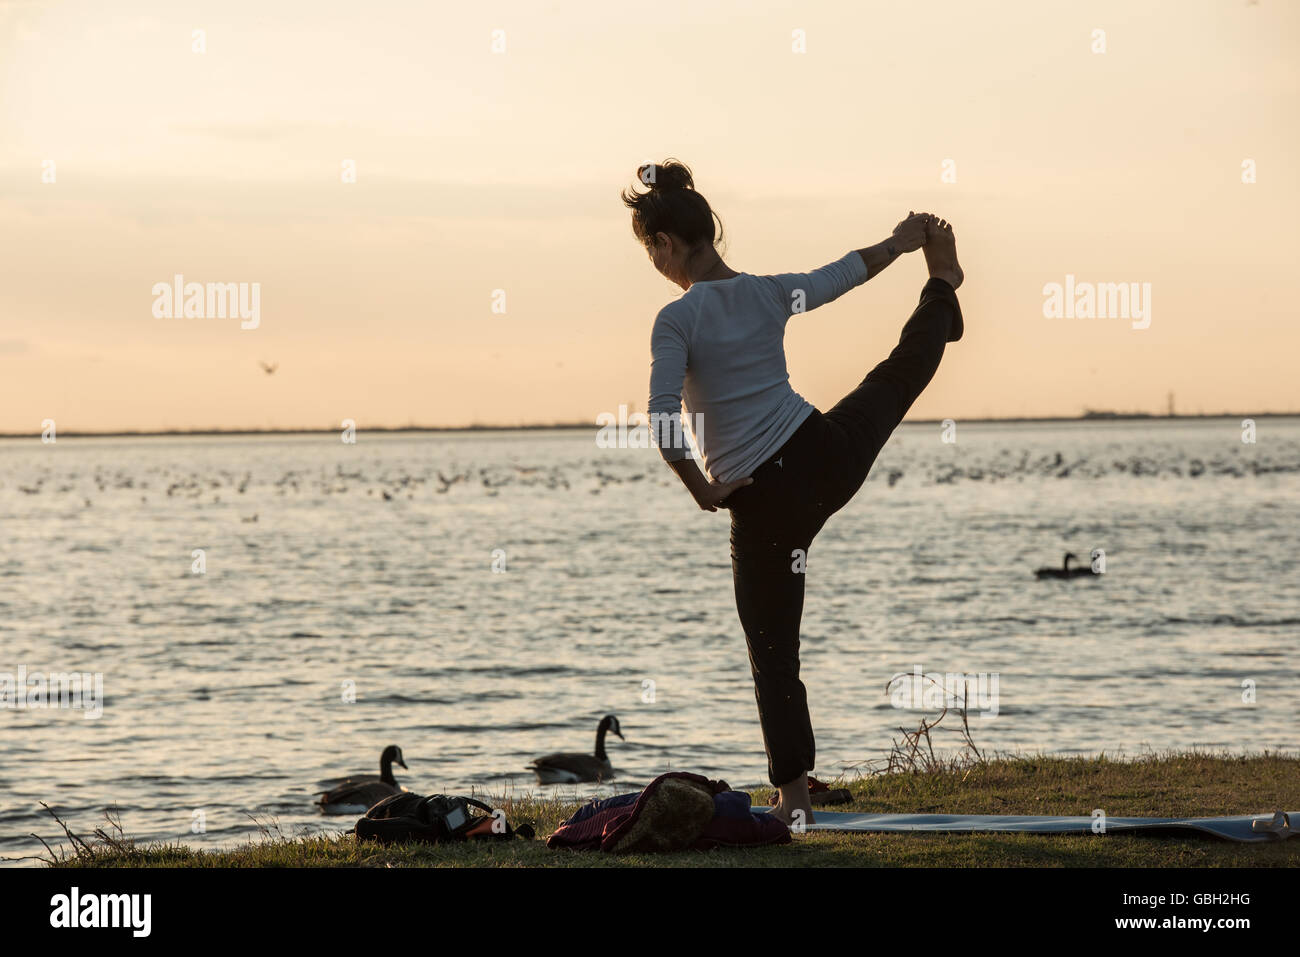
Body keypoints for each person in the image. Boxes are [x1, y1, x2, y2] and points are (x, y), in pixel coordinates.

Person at [624, 159, 965, 825]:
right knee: (896, 378)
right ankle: (944, 291)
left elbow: (663, 415)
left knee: (773, 650)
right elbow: (840, 274)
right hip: (823, 455)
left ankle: (797, 795)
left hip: (764, 501)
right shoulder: (768, 291)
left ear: (664, 244)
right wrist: (901, 242)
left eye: (650, 250)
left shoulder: (676, 319)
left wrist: (702, 488)